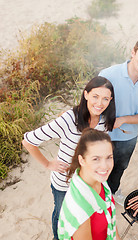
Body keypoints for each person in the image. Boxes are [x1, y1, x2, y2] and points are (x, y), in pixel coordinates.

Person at [22, 76, 115, 240]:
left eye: (105, 98)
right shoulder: (68, 119)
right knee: (62, 219)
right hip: (65, 185)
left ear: (110, 100)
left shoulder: (105, 120)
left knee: (86, 221)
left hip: (90, 183)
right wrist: (48, 163)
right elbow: (28, 141)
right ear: (85, 94)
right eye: (95, 96)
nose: (99, 103)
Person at [99, 36, 138, 202]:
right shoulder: (108, 75)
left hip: (128, 137)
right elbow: (92, 104)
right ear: (133, 52)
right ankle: (95, 201)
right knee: (99, 171)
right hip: (102, 135)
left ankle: (112, 194)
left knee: (119, 168)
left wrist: (123, 119)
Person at [58, 128, 120, 240]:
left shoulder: (99, 181)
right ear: (82, 160)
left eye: (109, 157)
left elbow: (111, 224)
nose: (105, 166)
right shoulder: (79, 208)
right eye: (96, 159)